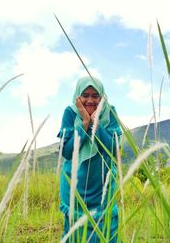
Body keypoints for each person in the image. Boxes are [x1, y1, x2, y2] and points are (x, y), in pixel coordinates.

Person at [57, 76, 122, 242]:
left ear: (102, 97)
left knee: (107, 232)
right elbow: (67, 150)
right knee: (76, 234)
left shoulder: (110, 112)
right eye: (85, 95)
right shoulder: (70, 113)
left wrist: (95, 123)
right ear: (78, 96)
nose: (90, 100)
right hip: (75, 188)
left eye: (95, 95)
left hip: (102, 187)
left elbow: (113, 150)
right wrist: (85, 123)